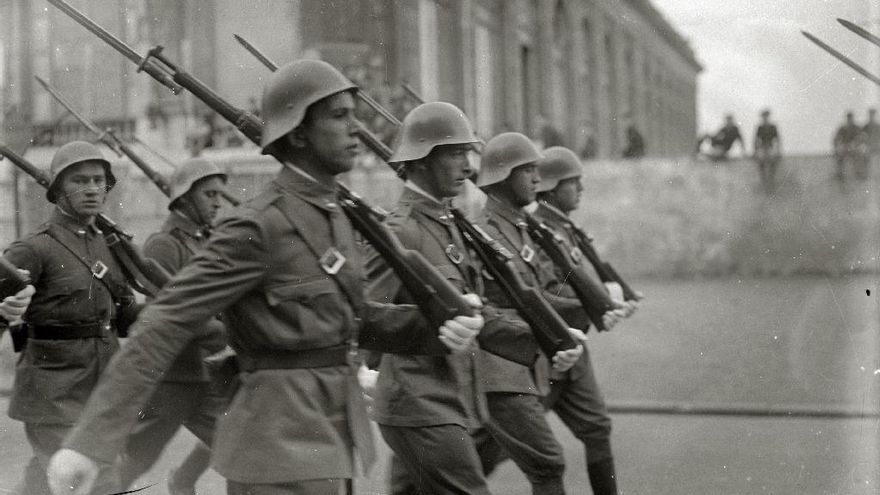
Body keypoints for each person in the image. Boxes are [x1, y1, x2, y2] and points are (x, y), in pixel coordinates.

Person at [46, 59, 485, 495]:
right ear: (297, 133)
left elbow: (350, 319)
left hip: (329, 441)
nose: (357, 128)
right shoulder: (256, 227)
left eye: (354, 114)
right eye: (338, 116)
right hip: (275, 454)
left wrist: (437, 327)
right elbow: (164, 322)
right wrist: (89, 445)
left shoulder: (335, 215)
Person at [366, 102, 578, 495]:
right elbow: (366, 314)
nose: (468, 166)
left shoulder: (450, 225)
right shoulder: (402, 229)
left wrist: (547, 341)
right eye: (456, 153)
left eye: (468, 153)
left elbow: (478, 312)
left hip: (451, 397)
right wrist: (368, 368)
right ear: (423, 160)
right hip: (418, 402)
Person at [475, 132, 627, 494]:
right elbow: (504, 301)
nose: (535, 178)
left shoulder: (523, 229)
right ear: (503, 176)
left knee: (579, 438)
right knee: (517, 458)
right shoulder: (486, 232)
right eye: (526, 170)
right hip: (507, 363)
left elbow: (541, 293)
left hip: (544, 353)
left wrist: (593, 307)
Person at [3, 141, 141, 495]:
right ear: (58, 190)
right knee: (97, 482)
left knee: (45, 481)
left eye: (98, 180)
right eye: (80, 180)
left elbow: (125, 316)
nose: (92, 188)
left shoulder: (106, 245)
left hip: (100, 392)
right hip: (54, 395)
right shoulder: (34, 248)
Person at [116, 158, 231, 495]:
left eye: (218, 195)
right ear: (183, 198)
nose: (217, 202)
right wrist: (221, 335)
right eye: (209, 194)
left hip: (202, 371)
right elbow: (170, 311)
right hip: (169, 376)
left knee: (235, 439)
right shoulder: (163, 244)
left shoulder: (201, 240)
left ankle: (183, 480)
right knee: (137, 459)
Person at [532, 146, 640, 495]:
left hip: (572, 353)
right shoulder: (537, 231)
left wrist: (607, 300)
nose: (581, 189)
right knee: (494, 446)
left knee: (596, 428)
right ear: (549, 187)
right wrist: (596, 306)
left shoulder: (564, 229)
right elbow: (545, 293)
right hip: (541, 357)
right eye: (572, 182)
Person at [833, 111, 867, 183]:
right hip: (845, 147)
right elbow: (836, 138)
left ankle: (859, 173)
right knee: (840, 156)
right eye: (848, 118)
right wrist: (837, 146)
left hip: (854, 147)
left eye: (851, 118)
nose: (849, 120)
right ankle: (840, 174)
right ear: (846, 119)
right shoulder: (842, 128)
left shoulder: (856, 127)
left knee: (859, 155)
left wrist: (855, 144)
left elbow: (861, 137)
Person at [753, 109, 781, 192]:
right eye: (764, 117)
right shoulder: (760, 127)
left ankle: (772, 176)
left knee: (773, 159)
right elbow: (756, 139)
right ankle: (763, 177)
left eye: (766, 116)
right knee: (760, 159)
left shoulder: (773, 127)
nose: (765, 118)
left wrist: (778, 149)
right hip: (762, 147)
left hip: (770, 146)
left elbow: (777, 139)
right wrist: (756, 150)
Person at [863, 108, 880, 175]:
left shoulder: (878, 126)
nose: (871, 116)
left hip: (877, 145)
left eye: (872, 115)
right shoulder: (866, 126)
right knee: (865, 155)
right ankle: (865, 173)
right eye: (870, 115)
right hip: (868, 146)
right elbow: (862, 136)